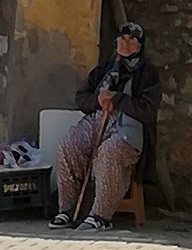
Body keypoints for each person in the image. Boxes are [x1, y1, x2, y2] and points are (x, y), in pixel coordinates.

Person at [49, 21, 161, 231]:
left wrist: (118, 98)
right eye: (122, 39)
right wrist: (99, 100)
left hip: (128, 126)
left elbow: (147, 110)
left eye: (132, 40)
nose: (126, 44)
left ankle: (100, 215)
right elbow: (82, 98)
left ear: (140, 46)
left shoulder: (148, 74)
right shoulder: (105, 69)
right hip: (97, 120)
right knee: (67, 146)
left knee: (109, 153)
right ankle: (68, 210)